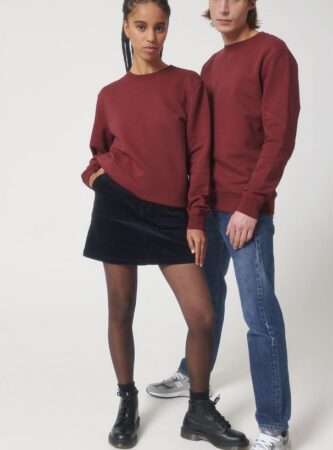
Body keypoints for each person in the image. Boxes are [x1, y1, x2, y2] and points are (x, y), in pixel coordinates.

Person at [82, 1, 249, 448]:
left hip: (171, 216)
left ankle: (198, 411)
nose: (151, 36)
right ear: (126, 28)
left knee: (203, 315)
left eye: (159, 27)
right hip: (117, 210)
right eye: (141, 26)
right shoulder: (110, 94)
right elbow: (98, 151)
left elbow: (200, 155)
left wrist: (195, 216)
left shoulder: (187, 84)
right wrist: (96, 177)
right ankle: (127, 400)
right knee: (121, 310)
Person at [147, 1, 300, 449]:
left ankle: (274, 426)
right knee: (205, 302)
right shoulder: (211, 66)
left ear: (251, 3)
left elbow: (280, 136)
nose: (225, 6)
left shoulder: (272, 53)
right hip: (207, 210)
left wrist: (251, 205)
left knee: (260, 317)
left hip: (245, 211)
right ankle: (192, 372)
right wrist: (192, 208)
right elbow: (200, 143)